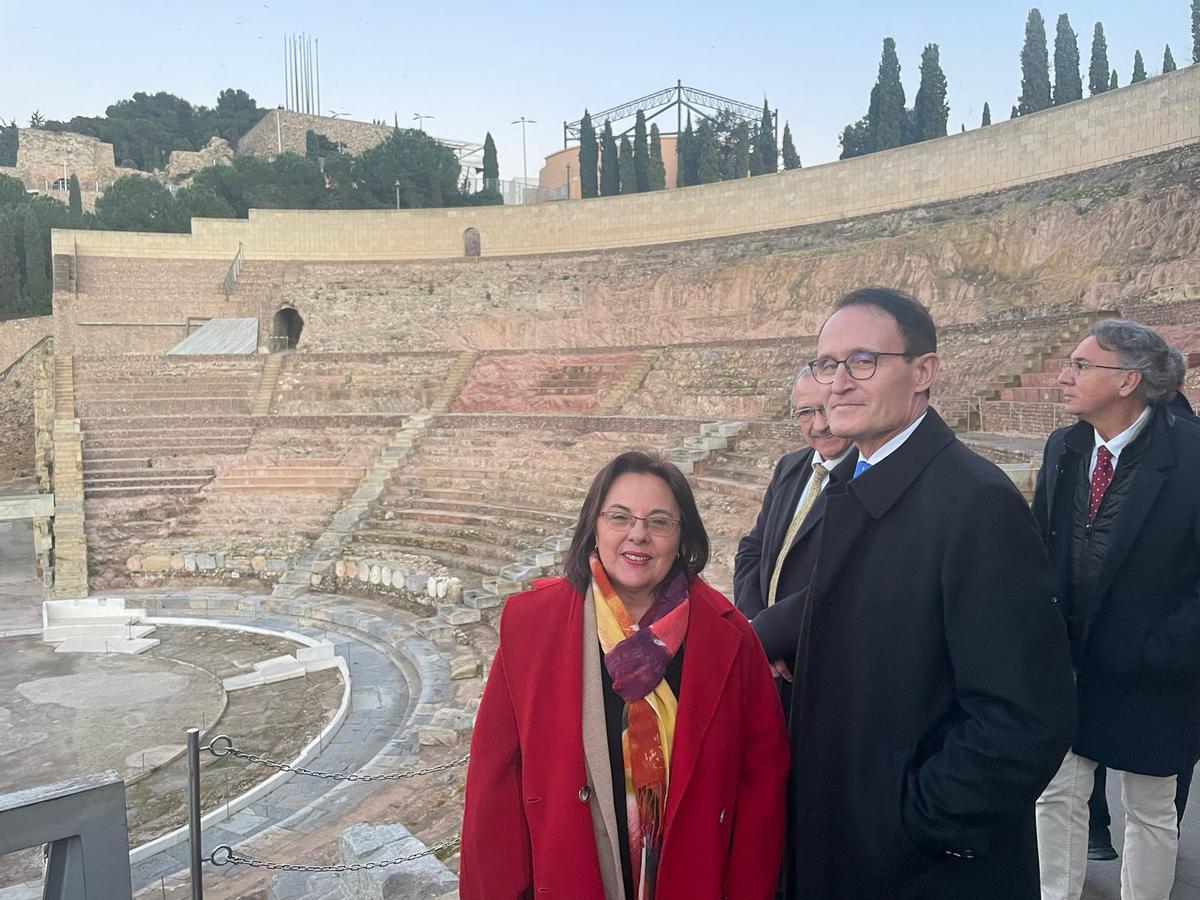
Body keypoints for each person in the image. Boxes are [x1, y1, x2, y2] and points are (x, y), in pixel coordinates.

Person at [750, 286, 1076, 898]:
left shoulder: (975, 503)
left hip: (915, 866)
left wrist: (912, 822)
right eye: (826, 364)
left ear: (924, 372)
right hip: (845, 836)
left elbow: (1026, 717)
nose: (837, 384)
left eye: (863, 361)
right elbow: (847, 604)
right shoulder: (854, 481)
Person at [460, 450, 789, 900]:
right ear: (593, 527)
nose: (638, 535)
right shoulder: (530, 623)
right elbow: (495, 778)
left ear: (682, 538)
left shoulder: (730, 638)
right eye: (620, 517)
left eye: (659, 522)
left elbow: (761, 789)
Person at [1033, 320, 1200, 900]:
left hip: (1153, 671)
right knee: (1057, 792)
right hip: (1068, 661)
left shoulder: (1192, 457)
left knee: (1149, 806)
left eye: (1081, 365)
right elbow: (1041, 546)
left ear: (1128, 379)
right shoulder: (1064, 447)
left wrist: (1160, 650)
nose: (1064, 376)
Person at [734, 365, 856, 684]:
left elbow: (837, 584)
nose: (820, 425)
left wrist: (760, 638)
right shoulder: (789, 467)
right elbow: (752, 550)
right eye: (806, 412)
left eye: (827, 409)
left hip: (816, 666)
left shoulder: (867, 479)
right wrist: (752, 620)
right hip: (769, 662)